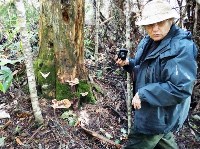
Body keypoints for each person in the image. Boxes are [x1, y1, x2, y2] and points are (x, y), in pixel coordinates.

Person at [116, 0, 198, 149]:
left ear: (170, 21)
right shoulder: (149, 41)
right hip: (153, 114)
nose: (154, 29)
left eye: (160, 23)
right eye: (150, 24)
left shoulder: (182, 47)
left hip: (158, 115)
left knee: (141, 141)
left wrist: (144, 93)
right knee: (163, 139)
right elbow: (147, 70)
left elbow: (181, 88)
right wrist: (129, 64)